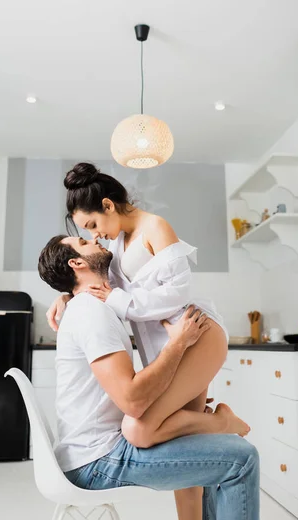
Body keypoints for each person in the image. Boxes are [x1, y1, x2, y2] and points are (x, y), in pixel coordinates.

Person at [46, 162, 250, 520]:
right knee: (188, 461)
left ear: (108, 205)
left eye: (92, 225)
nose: (94, 235)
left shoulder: (156, 227)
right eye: (86, 232)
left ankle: (224, 424)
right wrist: (65, 297)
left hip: (196, 333)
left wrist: (115, 299)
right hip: (172, 346)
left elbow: (177, 292)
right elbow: (84, 279)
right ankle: (218, 432)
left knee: (139, 429)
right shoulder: (115, 246)